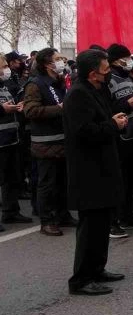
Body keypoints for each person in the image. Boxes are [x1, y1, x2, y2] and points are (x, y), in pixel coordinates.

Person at [64, 49, 128, 296]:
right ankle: (81, 279)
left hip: (103, 166)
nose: (109, 73)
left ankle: (97, 269)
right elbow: (84, 132)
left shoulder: (96, 90)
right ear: (93, 73)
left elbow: (101, 121)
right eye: (105, 69)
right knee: (90, 227)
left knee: (102, 225)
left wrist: (114, 121)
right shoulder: (78, 95)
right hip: (88, 171)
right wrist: (113, 125)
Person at [24, 48, 76, 236]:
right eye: (58, 59)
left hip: (62, 141)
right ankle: (46, 220)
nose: (62, 61)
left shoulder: (59, 82)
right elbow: (30, 111)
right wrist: (59, 109)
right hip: (45, 144)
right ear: (47, 64)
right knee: (47, 183)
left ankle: (63, 214)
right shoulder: (36, 84)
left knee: (63, 181)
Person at [105, 44, 133, 238]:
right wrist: (127, 104)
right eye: (127, 58)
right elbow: (107, 107)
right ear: (117, 60)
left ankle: (127, 216)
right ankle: (113, 220)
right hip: (119, 137)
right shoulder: (109, 80)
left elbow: (131, 103)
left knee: (129, 179)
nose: (130, 61)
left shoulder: (127, 78)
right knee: (118, 180)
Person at [0, 55, 31, 227]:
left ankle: (11, 211)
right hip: (1, 141)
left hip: (11, 139)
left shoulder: (4, 86)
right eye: (3, 66)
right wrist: (2, 109)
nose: (7, 69)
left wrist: (18, 107)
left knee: (11, 178)